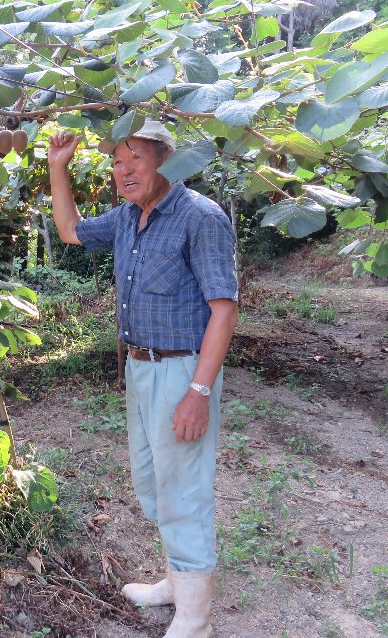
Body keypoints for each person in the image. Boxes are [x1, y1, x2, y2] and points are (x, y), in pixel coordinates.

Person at [47, 120, 238, 638]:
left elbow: (224, 310)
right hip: (140, 366)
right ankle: (177, 584)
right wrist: (57, 168)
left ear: (166, 160)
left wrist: (198, 392)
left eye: (136, 157)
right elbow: (70, 230)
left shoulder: (201, 217)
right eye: (116, 160)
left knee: (184, 489)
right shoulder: (130, 217)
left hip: (182, 369)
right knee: (153, 481)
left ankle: (195, 618)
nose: (124, 169)